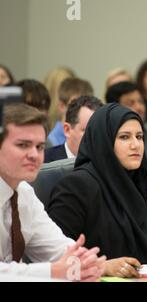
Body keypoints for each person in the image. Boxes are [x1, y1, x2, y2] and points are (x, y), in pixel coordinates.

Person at [47, 103, 147, 278]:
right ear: (104, 141)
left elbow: (133, 249)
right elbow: (54, 256)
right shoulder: (76, 186)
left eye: (139, 136)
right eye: (124, 137)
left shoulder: (135, 182)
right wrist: (102, 266)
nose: (136, 145)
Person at [0, 103, 105, 280]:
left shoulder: (23, 193)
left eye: (40, 147)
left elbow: (57, 248)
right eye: (23, 145)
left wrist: (85, 262)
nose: (34, 155)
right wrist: (52, 271)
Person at [105, 81, 147, 183]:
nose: (139, 107)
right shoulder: (105, 138)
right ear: (114, 108)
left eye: (141, 101)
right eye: (131, 103)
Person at [44, 96, 103, 163]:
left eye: (99, 132)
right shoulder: (45, 161)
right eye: (87, 131)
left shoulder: (108, 163)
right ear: (67, 130)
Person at [47, 78, 94, 147]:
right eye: (76, 105)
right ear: (61, 106)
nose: (83, 112)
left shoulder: (92, 138)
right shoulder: (51, 143)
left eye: (88, 105)